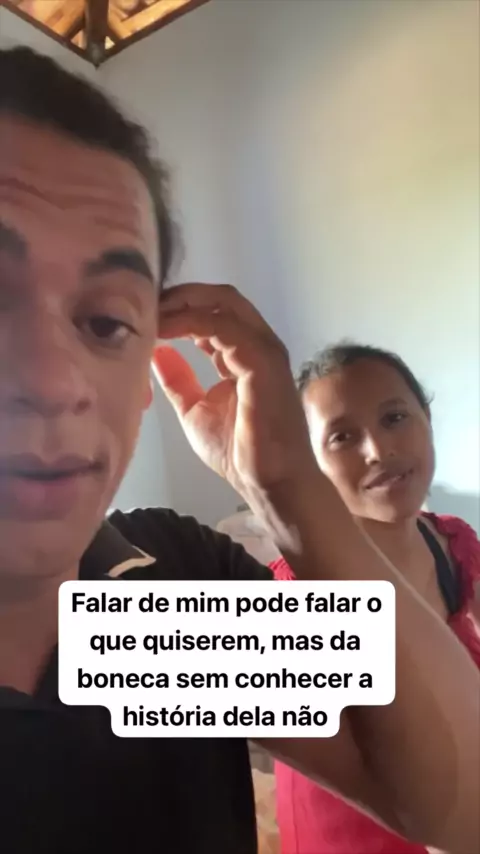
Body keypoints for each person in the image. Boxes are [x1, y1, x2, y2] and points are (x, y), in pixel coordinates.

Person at [0, 46, 478, 854]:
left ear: (146, 374)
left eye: (107, 322)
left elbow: (461, 804)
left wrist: (287, 482)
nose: (53, 382)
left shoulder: (146, 615)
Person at [272, 343, 480, 854]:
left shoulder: (456, 543)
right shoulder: (297, 594)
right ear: (310, 461)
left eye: (395, 417)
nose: (377, 450)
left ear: (426, 419)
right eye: (342, 436)